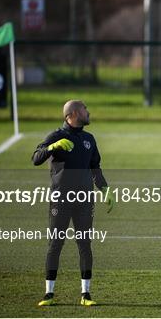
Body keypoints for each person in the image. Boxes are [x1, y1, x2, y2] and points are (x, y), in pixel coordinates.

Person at [32, 100, 113, 306]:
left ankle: (86, 294)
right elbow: (36, 158)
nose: (89, 112)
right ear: (74, 113)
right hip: (61, 198)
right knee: (55, 244)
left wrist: (104, 188)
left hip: (84, 200)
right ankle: (49, 294)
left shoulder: (89, 139)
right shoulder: (57, 136)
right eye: (85, 109)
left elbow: (95, 167)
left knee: (85, 245)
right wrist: (52, 147)